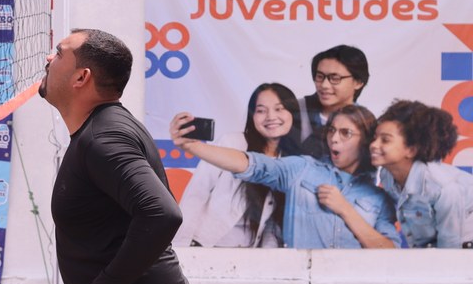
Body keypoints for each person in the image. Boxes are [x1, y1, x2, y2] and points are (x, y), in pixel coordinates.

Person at [40, 29, 189, 284]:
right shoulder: (102, 129)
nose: (48, 58)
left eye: (60, 54)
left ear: (81, 77)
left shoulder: (104, 138)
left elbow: (162, 214)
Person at [172, 104, 400, 249]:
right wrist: (194, 148)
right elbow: (253, 164)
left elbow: (389, 253)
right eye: (331, 130)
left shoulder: (378, 198)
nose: (334, 139)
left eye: (345, 133)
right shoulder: (303, 169)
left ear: (366, 140)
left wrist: (346, 210)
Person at [169, 83, 301, 248]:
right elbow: (197, 193)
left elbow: (273, 226)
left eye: (279, 109)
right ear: (252, 116)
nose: (270, 117)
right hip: (204, 245)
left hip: (245, 259)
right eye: (261, 110)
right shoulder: (232, 143)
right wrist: (180, 246)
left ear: (293, 113)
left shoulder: (293, 162)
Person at [370, 100, 473, 248]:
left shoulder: (443, 188)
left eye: (385, 140)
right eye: (375, 138)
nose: (373, 145)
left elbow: (451, 250)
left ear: (411, 149)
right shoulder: (387, 174)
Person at [297, 45, 370, 159]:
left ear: (358, 82)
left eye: (335, 78)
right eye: (320, 76)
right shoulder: (295, 110)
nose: (324, 85)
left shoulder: (366, 123)